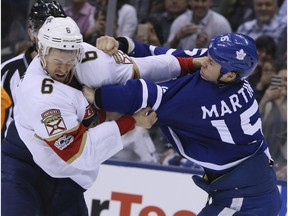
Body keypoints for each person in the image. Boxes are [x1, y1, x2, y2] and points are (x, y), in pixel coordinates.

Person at [2, 15, 205, 215]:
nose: (63, 69)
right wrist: (132, 121)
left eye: (69, 60)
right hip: (24, 164)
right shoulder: (40, 96)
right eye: (57, 61)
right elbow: (81, 153)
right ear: (42, 53)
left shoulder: (92, 60)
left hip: (66, 174)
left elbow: (145, 68)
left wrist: (192, 64)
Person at [83, 33, 281, 215]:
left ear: (229, 76)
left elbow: (138, 95)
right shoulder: (226, 69)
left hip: (247, 200)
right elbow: (170, 56)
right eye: (208, 55)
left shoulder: (203, 99)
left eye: (211, 62)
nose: (204, 61)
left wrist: (97, 96)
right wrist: (125, 45)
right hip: (250, 185)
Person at [1, 0, 67, 140]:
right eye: (45, 31)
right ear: (31, 33)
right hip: (15, 157)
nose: (52, 37)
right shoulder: (7, 72)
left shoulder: (78, 67)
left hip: (63, 155)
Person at [166, 0, 232, 49]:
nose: (200, 5)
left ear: (211, 2)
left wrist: (207, 48)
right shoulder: (180, 21)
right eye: (196, 0)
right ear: (189, 2)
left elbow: (227, 54)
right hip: (183, 64)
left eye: (204, 1)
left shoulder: (221, 24)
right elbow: (168, 51)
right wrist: (177, 38)